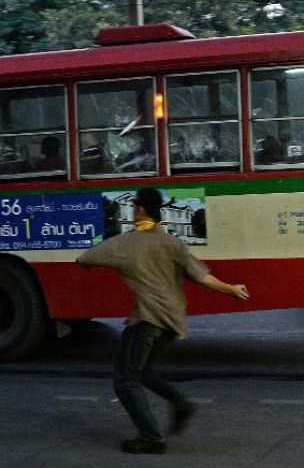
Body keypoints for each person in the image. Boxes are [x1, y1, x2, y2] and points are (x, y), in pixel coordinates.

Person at [76, 188, 250, 454]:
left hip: (147, 319)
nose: (132, 210)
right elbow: (201, 276)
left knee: (125, 380)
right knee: (143, 371)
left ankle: (151, 437)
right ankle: (180, 402)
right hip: (172, 321)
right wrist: (231, 289)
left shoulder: (125, 242)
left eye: (134, 206)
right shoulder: (172, 243)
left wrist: (92, 264)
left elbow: (85, 258)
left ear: (141, 210)